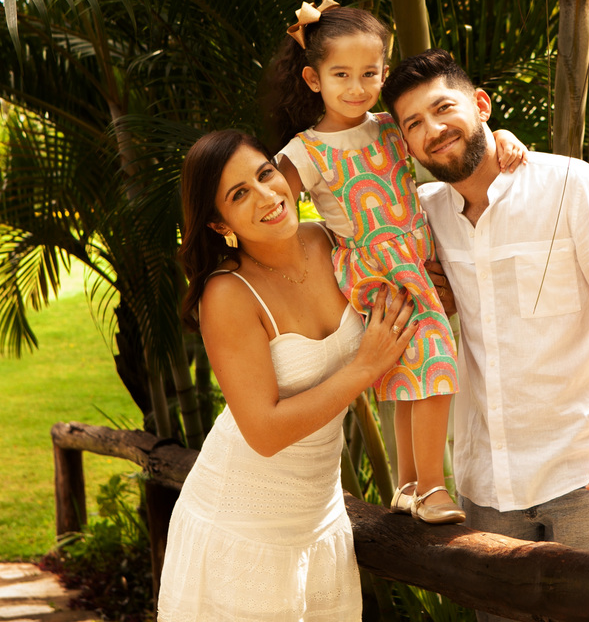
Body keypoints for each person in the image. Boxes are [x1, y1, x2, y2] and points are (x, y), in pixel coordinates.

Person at [382, 49, 589, 622]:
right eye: (413, 124)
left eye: (443, 109)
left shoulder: (571, 186)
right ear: (405, 144)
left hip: (583, 468)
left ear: (481, 105)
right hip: (485, 479)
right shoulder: (423, 215)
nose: (433, 131)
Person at [270, 0, 527, 524]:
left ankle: (410, 482)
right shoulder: (305, 150)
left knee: (409, 369)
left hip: (414, 257)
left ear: (384, 72)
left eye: (369, 73)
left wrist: (501, 134)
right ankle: (434, 486)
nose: (357, 86)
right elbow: (273, 201)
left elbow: (453, 144)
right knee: (434, 360)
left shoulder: (391, 125)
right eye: (341, 74)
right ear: (314, 79)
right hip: (376, 269)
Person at [157, 130, 418, 621]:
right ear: (218, 223)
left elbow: (406, 240)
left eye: (265, 174)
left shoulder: (331, 241)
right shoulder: (228, 295)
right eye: (239, 195)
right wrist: (365, 366)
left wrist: (431, 293)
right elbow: (264, 430)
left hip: (319, 520)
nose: (267, 196)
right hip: (240, 526)